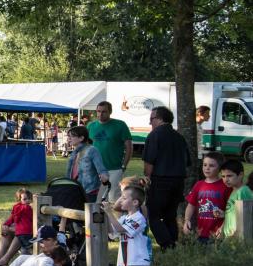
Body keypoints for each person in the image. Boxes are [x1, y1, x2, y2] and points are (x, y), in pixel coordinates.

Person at [143, 106, 192, 250]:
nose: (150, 122)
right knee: (170, 215)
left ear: (159, 119)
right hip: (178, 181)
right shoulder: (179, 137)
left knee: (154, 216)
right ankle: (173, 245)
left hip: (160, 180)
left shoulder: (154, 135)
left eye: (151, 119)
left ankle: (167, 245)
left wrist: (147, 178)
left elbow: (149, 162)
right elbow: (187, 162)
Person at [88, 101, 133, 203]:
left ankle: (114, 219)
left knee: (113, 198)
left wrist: (124, 165)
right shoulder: (91, 126)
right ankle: (97, 218)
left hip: (114, 168)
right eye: (98, 111)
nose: (100, 114)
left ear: (110, 112)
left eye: (104, 111)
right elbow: (87, 147)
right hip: (95, 169)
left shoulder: (120, 125)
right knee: (96, 199)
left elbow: (129, 146)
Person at [183, 152, 231, 244]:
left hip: (219, 234)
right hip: (201, 234)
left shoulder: (226, 186)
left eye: (211, 165)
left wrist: (223, 227)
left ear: (220, 168)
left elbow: (231, 210)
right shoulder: (198, 185)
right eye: (205, 165)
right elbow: (191, 205)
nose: (207, 168)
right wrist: (187, 221)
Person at [65, 126, 108, 203]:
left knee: (87, 214)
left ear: (81, 138)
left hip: (89, 191)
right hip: (75, 190)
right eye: (69, 136)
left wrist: (103, 175)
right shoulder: (74, 153)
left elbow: (101, 169)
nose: (69, 138)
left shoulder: (92, 150)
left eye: (72, 136)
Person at [218, 159, 253, 239]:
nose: (225, 180)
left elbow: (245, 217)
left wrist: (236, 234)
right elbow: (233, 213)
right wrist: (222, 227)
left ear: (240, 175)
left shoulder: (243, 191)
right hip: (229, 236)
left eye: (229, 176)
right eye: (223, 176)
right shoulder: (233, 191)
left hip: (237, 238)